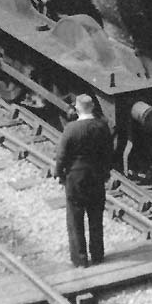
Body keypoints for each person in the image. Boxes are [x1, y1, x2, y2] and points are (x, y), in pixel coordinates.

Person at [53, 94, 114, 267]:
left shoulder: (71, 129)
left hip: (76, 178)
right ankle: (98, 254)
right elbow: (109, 152)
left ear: (78, 108)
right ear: (93, 106)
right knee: (96, 216)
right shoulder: (102, 127)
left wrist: (59, 173)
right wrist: (105, 172)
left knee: (75, 218)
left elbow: (62, 155)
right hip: (96, 175)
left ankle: (80, 259)